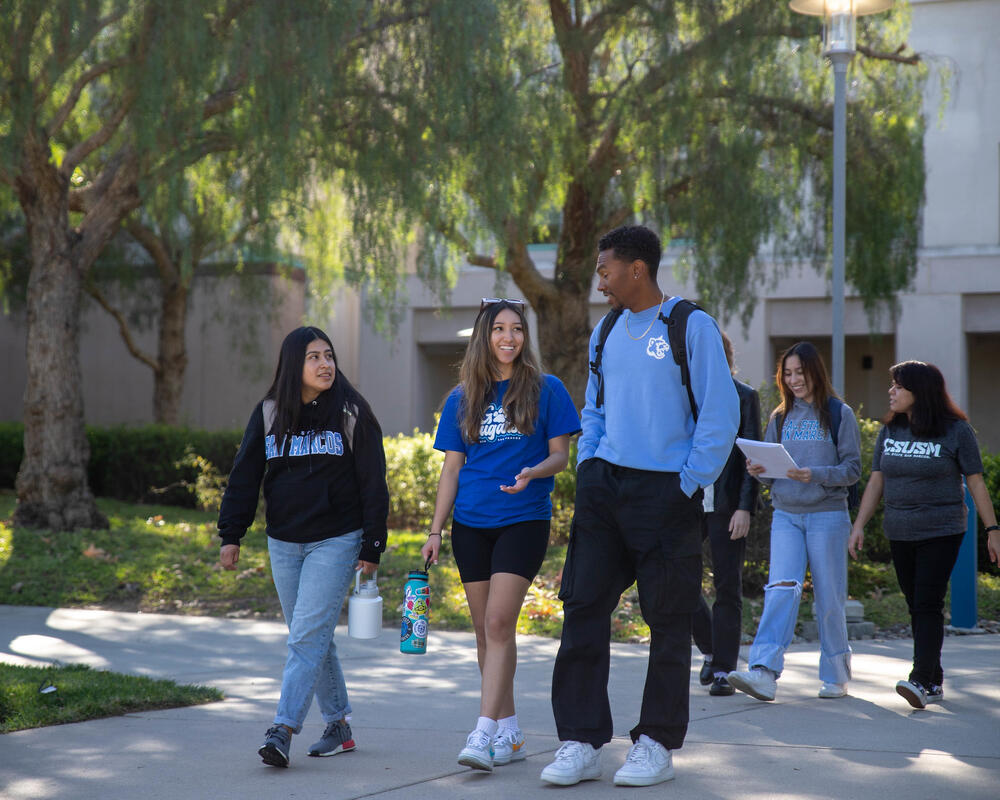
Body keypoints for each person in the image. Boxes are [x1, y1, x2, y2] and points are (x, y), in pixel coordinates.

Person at [540, 225, 739, 789]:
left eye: (605, 270)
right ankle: (580, 741)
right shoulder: (604, 330)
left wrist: (687, 484)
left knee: (669, 620)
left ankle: (655, 743)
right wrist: (590, 465)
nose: (599, 282)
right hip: (606, 491)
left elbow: (720, 416)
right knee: (582, 609)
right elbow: (595, 407)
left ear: (636, 269)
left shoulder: (689, 325)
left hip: (666, 494)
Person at [217, 326, 389, 768]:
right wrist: (231, 533)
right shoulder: (271, 411)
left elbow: (374, 482)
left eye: (329, 355)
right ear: (294, 364)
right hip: (283, 542)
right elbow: (245, 474)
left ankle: (282, 728)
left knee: (306, 639)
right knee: (311, 638)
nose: (325, 364)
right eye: (314, 357)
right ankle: (339, 725)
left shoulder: (351, 412)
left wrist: (372, 544)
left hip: (337, 539)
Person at [421, 298, 580, 773]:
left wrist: (534, 471)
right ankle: (509, 730)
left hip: (523, 517)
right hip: (471, 522)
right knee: (483, 632)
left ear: (524, 337)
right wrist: (435, 530)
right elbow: (452, 469)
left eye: (516, 329)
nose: (508, 338)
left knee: (497, 624)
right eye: (498, 330)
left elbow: (560, 456)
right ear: (484, 337)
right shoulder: (461, 398)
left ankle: (482, 731)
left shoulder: (546, 389)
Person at [848, 360, 1000, 709]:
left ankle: (919, 678)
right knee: (915, 605)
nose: (891, 391)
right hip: (899, 530)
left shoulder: (956, 431)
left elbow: (975, 481)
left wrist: (993, 529)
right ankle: (933, 678)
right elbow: (877, 479)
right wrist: (859, 524)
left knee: (927, 602)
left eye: (898, 386)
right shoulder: (891, 431)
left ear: (921, 392)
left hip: (942, 529)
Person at [728, 342, 860, 703]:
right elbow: (774, 473)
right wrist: (759, 470)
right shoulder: (779, 417)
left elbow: (852, 470)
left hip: (827, 517)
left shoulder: (838, 413)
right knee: (781, 590)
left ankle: (836, 673)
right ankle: (764, 672)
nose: (794, 379)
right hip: (786, 515)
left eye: (799, 372)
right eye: (787, 373)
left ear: (815, 371)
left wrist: (812, 474)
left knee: (829, 597)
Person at [691, 331, 762, 697]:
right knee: (675, 578)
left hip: (726, 503)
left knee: (727, 587)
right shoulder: (683, 395)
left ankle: (723, 669)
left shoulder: (744, 397)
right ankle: (710, 647)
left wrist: (744, 507)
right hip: (688, 501)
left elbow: (753, 458)